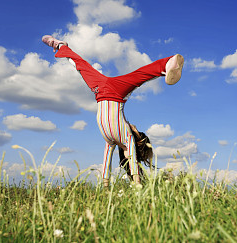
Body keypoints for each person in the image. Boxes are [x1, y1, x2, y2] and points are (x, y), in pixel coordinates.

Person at [42, 35, 184, 186]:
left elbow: (118, 161)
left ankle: (61, 47)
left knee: (83, 66)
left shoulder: (125, 139)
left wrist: (133, 184)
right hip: (110, 91)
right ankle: (169, 63)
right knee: (132, 75)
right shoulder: (116, 138)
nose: (134, 126)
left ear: (136, 139)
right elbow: (110, 162)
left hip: (108, 92)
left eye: (136, 130)